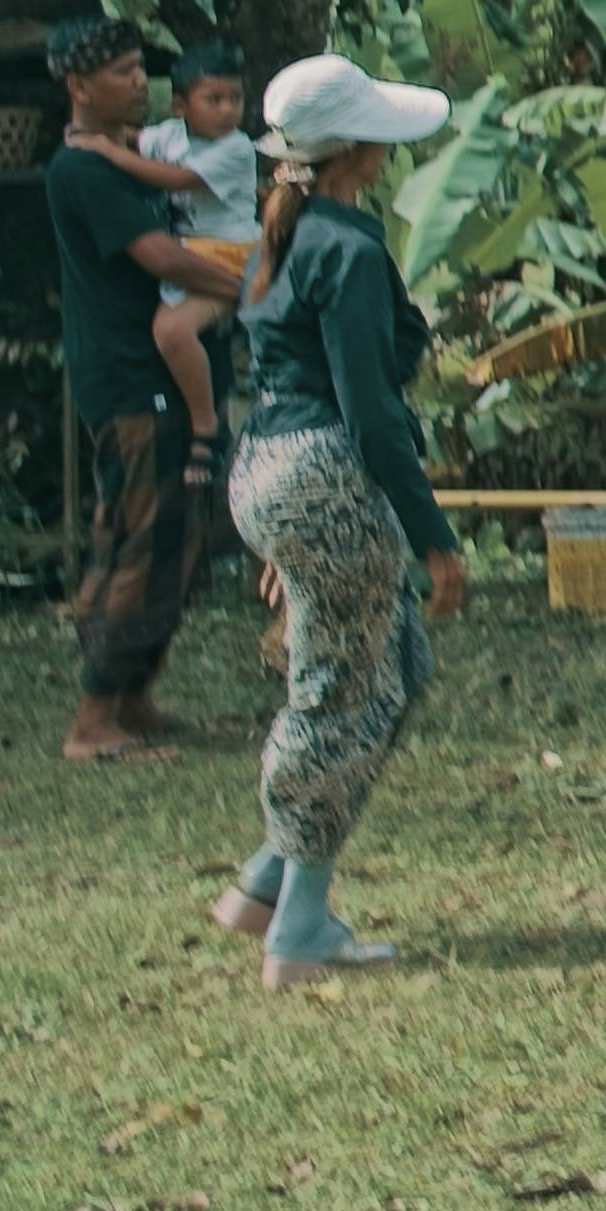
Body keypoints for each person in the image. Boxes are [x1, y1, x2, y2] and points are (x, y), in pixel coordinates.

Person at [205, 53, 466, 987]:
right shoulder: (347, 252)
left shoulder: (282, 240)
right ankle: (301, 930)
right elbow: (370, 412)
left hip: (269, 468)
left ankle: (268, 881)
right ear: (360, 148)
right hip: (325, 470)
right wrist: (435, 539)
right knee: (340, 692)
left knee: (396, 665)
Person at [41, 18, 229, 764]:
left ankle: (134, 699)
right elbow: (162, 259)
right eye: (118, 72)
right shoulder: (83, 171)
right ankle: (93, 722)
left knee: (176, 531)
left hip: (154, 378)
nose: (136, 82)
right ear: (79, 88)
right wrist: (256, 285)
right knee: (140, 539)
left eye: (137, 70)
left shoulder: (131, 160)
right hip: (129, 378)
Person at [108, 43, 260, 442]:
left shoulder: (237, 148)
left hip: (230, 256)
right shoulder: (170, 136)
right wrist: (105, 136)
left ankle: (205, 424)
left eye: (235, 98)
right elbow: (136, 141)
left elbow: (176, 180)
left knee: (172, 331)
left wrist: (106, 151)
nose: (227, 109)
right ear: (180, 106)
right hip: (192, 253)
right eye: (214, 99)